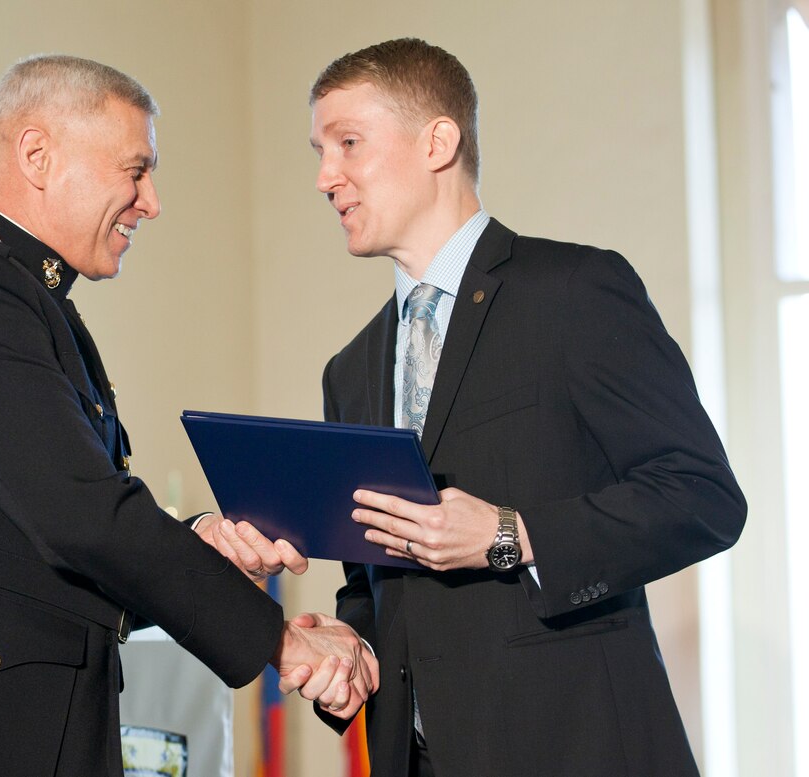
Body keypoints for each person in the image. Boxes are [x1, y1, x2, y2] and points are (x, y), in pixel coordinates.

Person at [0, 54, 376, 777]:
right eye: (135, 169)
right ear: (37, 154)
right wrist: (280, 641)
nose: (151, 201)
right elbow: (83, 516)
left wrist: (199, 544)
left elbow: (35, 551)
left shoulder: (39, 312)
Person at [288, 38, 747, 776]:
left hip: (579, 747)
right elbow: (370, 584)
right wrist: (353, 654)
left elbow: (703, 497)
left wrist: (512, 534)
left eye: (347, 143)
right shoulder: (350, 369)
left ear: (439, 141)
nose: (324, 177)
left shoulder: (576, 291)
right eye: (318, 150)